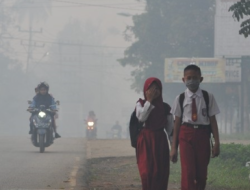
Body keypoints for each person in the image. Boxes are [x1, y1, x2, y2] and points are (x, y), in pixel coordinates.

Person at [170, 65, 220, 190]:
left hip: (203, 135)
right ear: (183, 80)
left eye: (195, 78)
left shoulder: (208, 97)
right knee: (188, 171)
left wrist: (217, 143)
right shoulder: (180, 98)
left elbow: (213, 121)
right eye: (189, 78)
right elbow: (176, 124)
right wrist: (174, 148)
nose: (192, 80)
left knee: (201, 173)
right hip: (185, 134)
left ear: (201, 79)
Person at [135, 77, 173, 190]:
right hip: (145, 141)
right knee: (146, 172)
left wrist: (173, 147)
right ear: (145, 90)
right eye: (150, 89)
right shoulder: (140, 104)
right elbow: (142, 118)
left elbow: (170, 130)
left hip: (160, 141)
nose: (153, 92)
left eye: (157, 89)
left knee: (159, 172)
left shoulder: (165, 108)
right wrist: (149, 101)